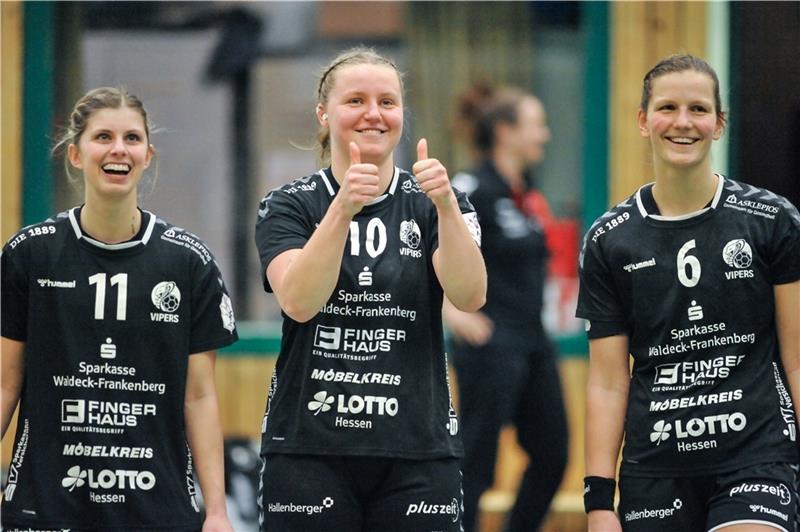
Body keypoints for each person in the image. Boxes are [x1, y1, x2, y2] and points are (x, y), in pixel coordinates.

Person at [254, 46, 487, 532]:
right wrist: (342, 208)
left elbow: (470, 295)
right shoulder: (288, 205)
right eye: (355, 100)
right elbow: (298, 301)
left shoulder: (439, 202)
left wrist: (444, 206)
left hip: (417, 450)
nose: (374, 114)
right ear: (323, 112)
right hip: (309, 448)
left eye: (387, 101)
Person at [577, 54, 800, 532]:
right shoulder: (609, 238)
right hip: (655, 466)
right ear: (643, 120)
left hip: (756, 456)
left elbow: (798, 359)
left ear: (720, 124)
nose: (683, 122)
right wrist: (598, 501)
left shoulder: (771, 221)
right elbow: (607, 382)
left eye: (699, 110)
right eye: (668, 107)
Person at [1, 87, 239, 532]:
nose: (118, 149)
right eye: (103, 136)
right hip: (47, 507)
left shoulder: (187, 262)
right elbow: (4, 384)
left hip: (157, 510)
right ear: (75, 154)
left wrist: (218, 511)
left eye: (132, 138)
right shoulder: (29, 254)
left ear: (148, 155)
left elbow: (200, 397)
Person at [446, 84, 569, 532]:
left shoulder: (527, 192)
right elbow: (424, 247)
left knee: (553, 454)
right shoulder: (471, 187)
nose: (545, 135)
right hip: (490, 342)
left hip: (533, 340)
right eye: (537, 125)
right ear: (505, 131)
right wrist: (452, 312)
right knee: (478, 462)